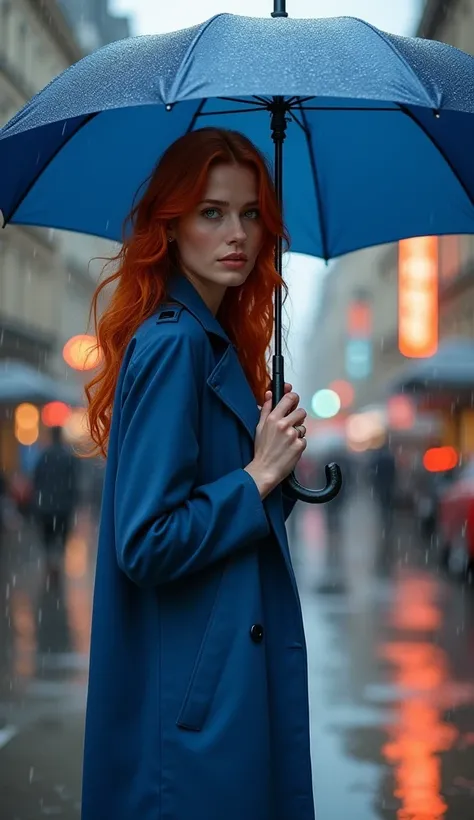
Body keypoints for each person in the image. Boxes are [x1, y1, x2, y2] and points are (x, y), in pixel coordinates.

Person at [81, 128, 314, 820]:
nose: (235, 232)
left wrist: (271, 464)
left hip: (208, 696)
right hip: (193, 717)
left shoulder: (205, 339)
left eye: (249, 213)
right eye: (211, 212)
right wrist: (256, 477)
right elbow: (147, 540)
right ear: (171, 224)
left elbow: (214, 518)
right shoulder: (176, 342)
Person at [32, 425, 79, 572]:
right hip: (63, 506)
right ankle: (58, 560)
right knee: (62, 535)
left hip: (46, 505)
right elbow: (74, 480)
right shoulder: (68, 457)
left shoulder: (44, 455)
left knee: (48, 537)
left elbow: (36, 479)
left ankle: (50, 562)